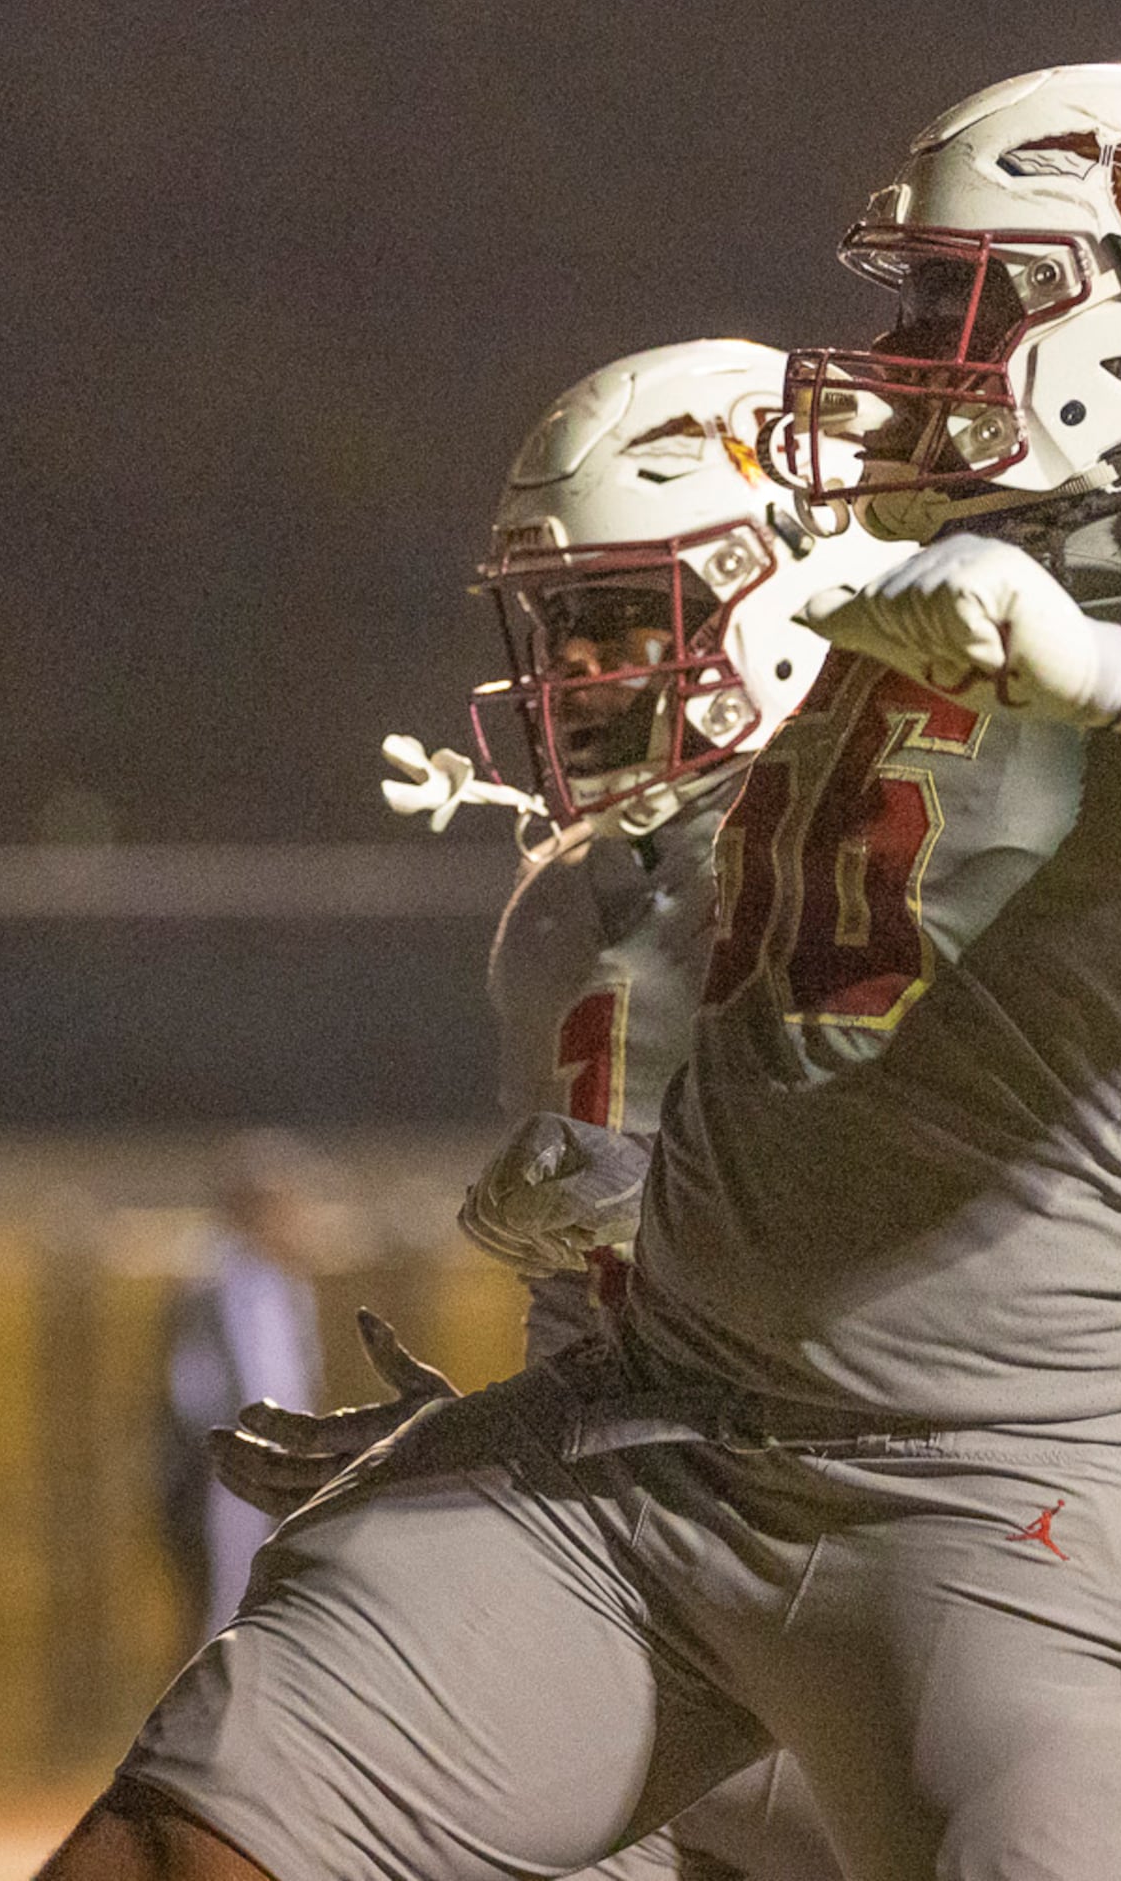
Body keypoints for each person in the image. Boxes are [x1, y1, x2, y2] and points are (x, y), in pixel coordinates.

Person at [44, 62, 1121, 1881]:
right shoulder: (930, 564)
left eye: (958, 298)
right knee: (193, 1839)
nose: (901, 347)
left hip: (987, 1487)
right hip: (652, 1439)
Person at [227, 338, 900, 1881]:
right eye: (560, 627)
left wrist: (659, 1202)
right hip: (646, 1583)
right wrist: (475, 1444)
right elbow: (596, 1341)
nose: (578, 677)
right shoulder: (563, 915)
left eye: (621, 618)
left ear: (787, 589)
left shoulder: (890, 877)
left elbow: (947, 1270)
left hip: (877, 1580)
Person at [154, 1141, 328, 1647]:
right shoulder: (210, 1280)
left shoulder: (288, 1284)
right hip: (226, 1470)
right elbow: (192, 1383)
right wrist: (223, 1446)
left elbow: (297, 1373)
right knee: (221, 1602)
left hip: (280, 1463)